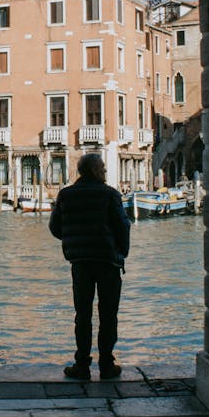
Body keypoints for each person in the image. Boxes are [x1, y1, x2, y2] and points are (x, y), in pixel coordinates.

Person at [49, 152, 131, 381]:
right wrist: (121, 251)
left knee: (82, 315)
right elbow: (123, 226)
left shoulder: (66, 195)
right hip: (108, 261)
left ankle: (82, 365)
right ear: (97, 171)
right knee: (108, 314)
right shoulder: (110, 195)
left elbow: (55, 227)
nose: (105, 171)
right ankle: (106, 365)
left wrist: (73, 240)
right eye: (103, 168)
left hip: (80, 261)